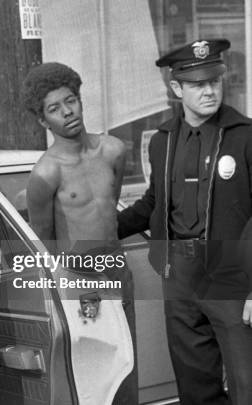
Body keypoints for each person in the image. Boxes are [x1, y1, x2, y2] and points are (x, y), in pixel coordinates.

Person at [118, 39, 252, 405]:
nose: (209, 90)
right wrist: (102, 233)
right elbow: (153, 204)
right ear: (176, 89)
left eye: (215, 80)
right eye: (197, 84)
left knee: (247, 384)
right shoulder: (162, 141)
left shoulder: (246, 136)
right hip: (179, 274)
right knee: (195, 386)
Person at [23, 62, 137, 404]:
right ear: (44, 121)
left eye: (70, 100)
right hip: (80, 277)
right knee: (94, 377)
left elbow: (109, 207)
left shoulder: (114, 150)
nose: (67, 112)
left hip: (117, 268)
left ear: (80, 100)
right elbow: (44, 241)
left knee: (128, 364)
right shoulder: (45, 173)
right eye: (54, 109)